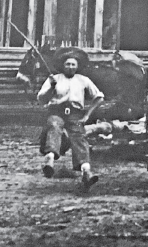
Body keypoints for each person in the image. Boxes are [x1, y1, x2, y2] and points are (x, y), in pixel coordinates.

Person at [37, 49, 104, 191]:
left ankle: (86, 171)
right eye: (67, 64)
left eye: (73, 64)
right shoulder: (55, 79)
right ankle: (49, 160)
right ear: (63, 65)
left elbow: (99, 97)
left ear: (78, 66)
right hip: (56, 111)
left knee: (79, 138)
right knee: (54, 127)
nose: (71, 67)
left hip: (75, 114)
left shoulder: (83, 80)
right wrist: (51, 87)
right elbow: (41, 99)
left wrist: (87, 115)